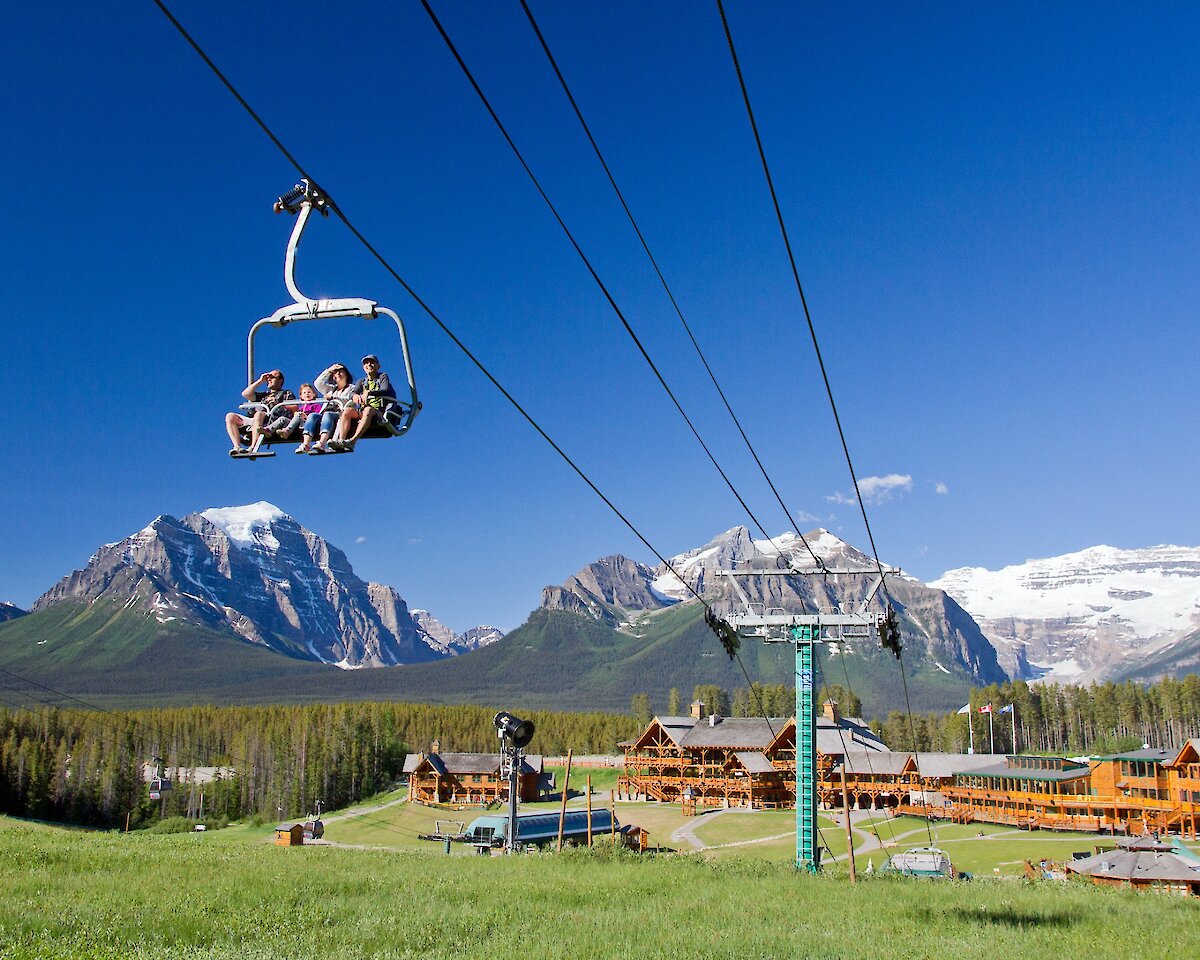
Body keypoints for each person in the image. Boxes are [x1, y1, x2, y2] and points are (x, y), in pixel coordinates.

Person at [333, 354, 396, 452]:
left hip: (378, 412)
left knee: (368, 409)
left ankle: (353, 441)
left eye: (372, 363)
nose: (369, 365)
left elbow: (385, 389)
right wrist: (354, 396)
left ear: (378, 366)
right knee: (347, 411)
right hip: (363, 411)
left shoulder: (382, 377)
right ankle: (341, 440)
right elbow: (352, 393)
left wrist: (369, 393)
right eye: (366, 363)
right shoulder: (362, 381)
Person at [225, 370, 294, 455]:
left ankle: (253, 447)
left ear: (280, 380)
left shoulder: (286, 393)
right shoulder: (264, 395)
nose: (270, 379)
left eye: (273, 377)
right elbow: (246, 394)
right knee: (230, 416)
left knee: (259, 414)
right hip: (255, 420)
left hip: (271, 420)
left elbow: (294, 407)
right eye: (269, 378)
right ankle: (237, 447)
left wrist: (278, 403)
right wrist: (260, 381)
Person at [303, 363, 355, 455]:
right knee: (312, 416)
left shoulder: (352, 388)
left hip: (339, 414)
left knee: (328, 414)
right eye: (335, 372)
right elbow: (317, 383)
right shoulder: (330, 389)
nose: (338, 374)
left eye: (340, 372)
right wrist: (329, 370)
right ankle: (306, 444)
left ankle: (322, 442)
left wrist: (334, 397)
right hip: (324, 415)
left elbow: (351, 399)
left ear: (346, 374)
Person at [290, 383, 326, 454]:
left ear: (314, 394)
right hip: (301, 423)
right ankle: (288, 429)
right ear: (301, 396)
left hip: (312, 423)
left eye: (309, 392)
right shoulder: (301, 408)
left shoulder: (316, 405)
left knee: (311, 416)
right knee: (297, 414)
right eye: (304, 393)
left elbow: (318, 415)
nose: (307, 394)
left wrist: (306, 417)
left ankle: (306, 444)